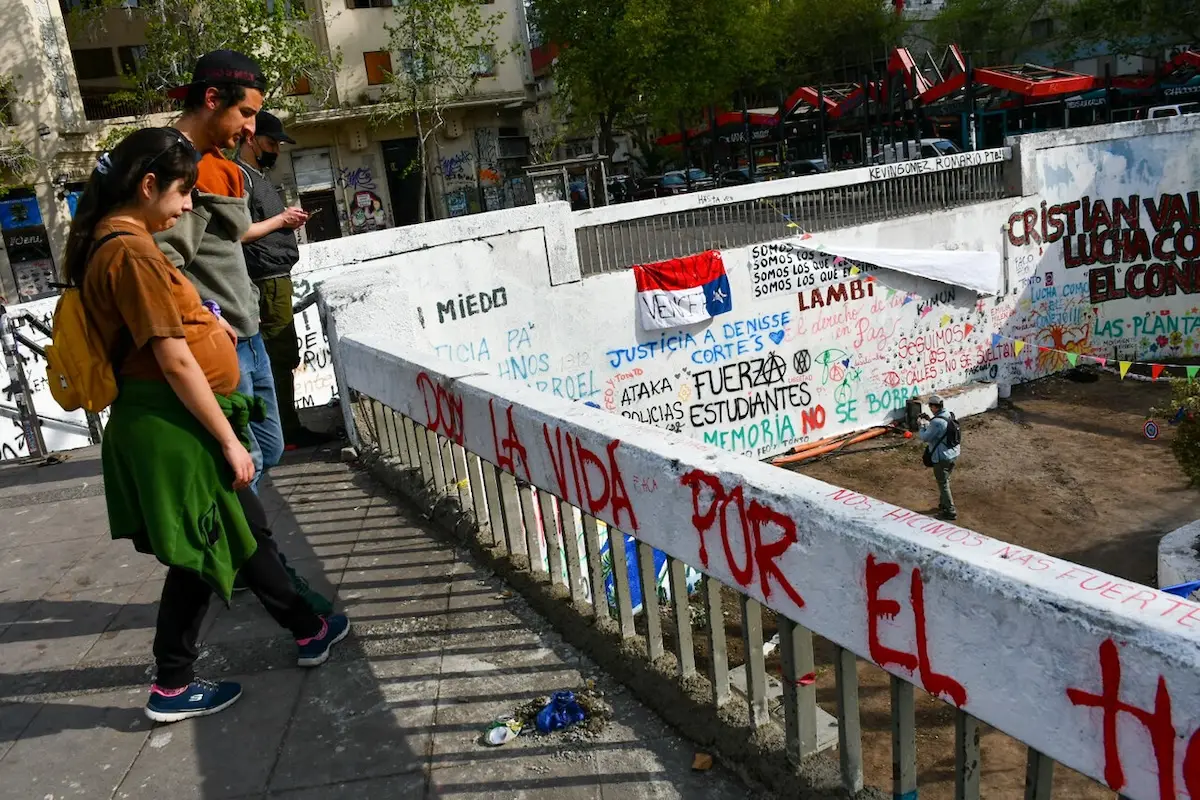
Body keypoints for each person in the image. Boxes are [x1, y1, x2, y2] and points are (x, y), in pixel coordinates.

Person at [64, 127, 349, 723]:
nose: (190, 205)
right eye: (184, 192)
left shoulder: (118, 241)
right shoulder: (130, 252)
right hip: (174, 423)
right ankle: (174, 683)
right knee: (204, 549)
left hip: (169, 419)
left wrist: (207, 322)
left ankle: (307, 629)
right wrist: (226, 438)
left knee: (237, 531)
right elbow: (172, 358)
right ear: (148, 186)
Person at [154, 50, 282, 492]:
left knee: (269, 450)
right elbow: (160, 263)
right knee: (247, 464)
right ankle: (248, 537)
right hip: (217, 342)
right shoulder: (173, 165)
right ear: (212, 99)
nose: (251, 129)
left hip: (249, 333)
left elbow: (225, 242)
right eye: (246, 113)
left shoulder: (213, 164)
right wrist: (207, 316)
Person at [235, 110, 335, 449]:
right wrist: (281, 220)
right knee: (278, 357)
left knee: (281, 356)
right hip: (265, 280)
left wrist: (284, 221)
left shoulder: (256, 176)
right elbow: (241, 231)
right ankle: (286, 433)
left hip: (274, 277)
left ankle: (283, 431)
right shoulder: (242, 177)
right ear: (251, 139)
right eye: (270, 143)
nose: (276, 150)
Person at [919, 395, 961, 521]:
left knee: (943, 483)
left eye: (930, 406)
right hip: (953, 454)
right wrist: (929, 421)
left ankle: (950, 511)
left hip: (942, 457)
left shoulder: (937, 422)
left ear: (934, 406)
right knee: (945, 480)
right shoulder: (949, 415)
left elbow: (925, 437)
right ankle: (943, 504)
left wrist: (921, 426)